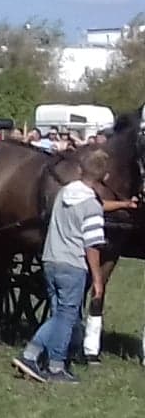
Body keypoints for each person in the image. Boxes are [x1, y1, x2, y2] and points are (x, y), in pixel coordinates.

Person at [14, 158, 133, 384]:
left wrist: (124, 205)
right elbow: (92, 245)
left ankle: (46, 360)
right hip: (72, 265)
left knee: (59, 315)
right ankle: (44, 361)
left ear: (80, 170)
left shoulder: (65, 193)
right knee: (66, 316)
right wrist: (97, 279)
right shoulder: (91, 208)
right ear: (105, 178)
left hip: (51, 260)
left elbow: (97, 205)